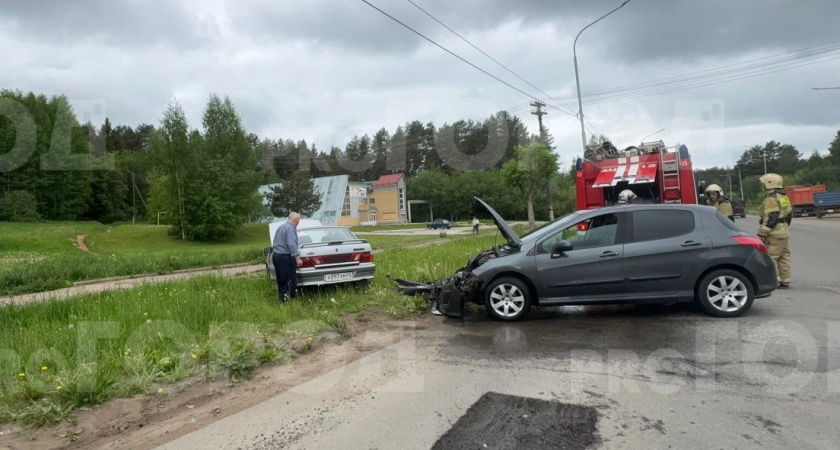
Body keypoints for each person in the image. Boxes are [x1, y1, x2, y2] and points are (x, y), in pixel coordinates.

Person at [757, 173, 793, 288]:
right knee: (784, 257)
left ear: (769, 183)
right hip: (783, 232)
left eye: (764, 184)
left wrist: (762, 233)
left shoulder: (771, 199)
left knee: (772, 257)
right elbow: (788, 215)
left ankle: (774, 281)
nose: (763, 186)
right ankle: (785, 280)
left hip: (774, 234)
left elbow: (771, 217)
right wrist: (784, 227)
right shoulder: (783, 197)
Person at [272, 212, 303, 302]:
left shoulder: (281, 227)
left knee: (281, 280)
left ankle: (282, 300)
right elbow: (291, 244)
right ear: (295, 219)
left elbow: (276, 242)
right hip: (285, 257)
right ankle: (289, 300)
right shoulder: (290, 228)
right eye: (299, 221)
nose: (298, 223)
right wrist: (297, 258)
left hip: (277, 256)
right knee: (291, 281)